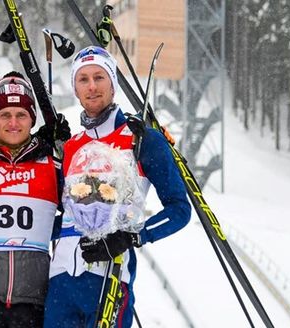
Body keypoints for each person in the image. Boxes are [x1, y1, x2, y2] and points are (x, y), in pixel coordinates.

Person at [43, 46, 192, 328]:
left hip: (109, 281)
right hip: (60, 284)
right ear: (75, 88)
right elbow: (62, 214)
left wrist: (131, 237)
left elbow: (180, 210)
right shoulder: (72, 146)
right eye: (83, 79)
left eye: (99, 77)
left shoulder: (141, 140)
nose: (92, 87)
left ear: (113, 83)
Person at [0, 71, 69, 328]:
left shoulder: (51, 165)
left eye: (21, 114)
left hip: (34, 301)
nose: (13, 122)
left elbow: (80, 213)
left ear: (32, 119)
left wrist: (65, 148)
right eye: (5, 115)